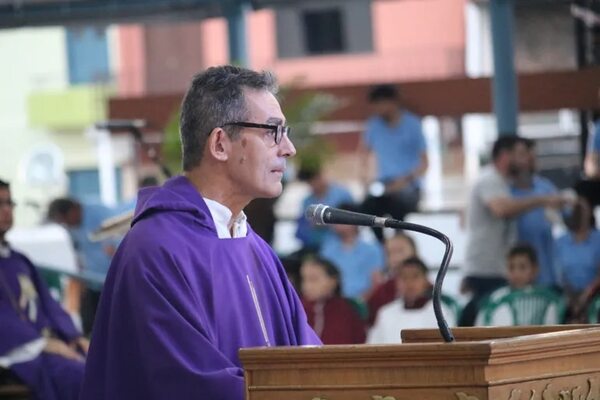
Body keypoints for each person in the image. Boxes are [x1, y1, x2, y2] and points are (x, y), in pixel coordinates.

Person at [80, 65, 321, 400]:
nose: (289, 148)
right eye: (272, 132)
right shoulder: (155, 250)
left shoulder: (256, 248)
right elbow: (187, 383)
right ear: (220, 143)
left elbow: (309, 353)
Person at [460, 136, 567, 326]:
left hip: (497, 267)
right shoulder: (489, 178)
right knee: (478, 321)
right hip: (486, 268)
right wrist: (541, 200)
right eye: (520, 154)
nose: (526, 159)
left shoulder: (503, 183)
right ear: (505, 156)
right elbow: (502, 209)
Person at [0, 179, 87, 400]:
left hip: (49, 347)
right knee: (81, 376)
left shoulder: (19, 260)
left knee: (109, 363)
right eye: (0, 204)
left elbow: (48, 304)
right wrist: (42, 344)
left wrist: (75, 337)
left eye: (10, 203)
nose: (7, 210)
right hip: (19, 354)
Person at [359, 84, 428, 242]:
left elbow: (424, 163)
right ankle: (383, 247)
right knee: (367, 208)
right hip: (384, 185)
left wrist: (405, 180)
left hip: (408, 186)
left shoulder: (413, 124)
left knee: (397, 207)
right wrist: (365, 181)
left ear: (393, 102)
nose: (378, 109)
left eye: (381, 103)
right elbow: (364, 156)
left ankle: (400, 244)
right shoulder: (374, 126)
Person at [367, 257, 455, 344]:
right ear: (396, 282)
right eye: (404, 277)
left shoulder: (441, 313)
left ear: (426, 281)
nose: (409, 282)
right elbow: (372, 348)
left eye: (415, 276)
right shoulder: (385, 313)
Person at [510, 138, 560, 289]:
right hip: (516, 279)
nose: (530, 160)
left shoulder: (546, 187)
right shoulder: (504, 192)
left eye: (532, 155)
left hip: (548, 274)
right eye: (523, 155)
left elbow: (567, 221)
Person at [475, 244, 559, 326]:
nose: (516, 273)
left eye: (522, 267)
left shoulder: (548, 299)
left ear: (535, 270)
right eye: (511, 267)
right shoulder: (496, 298)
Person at [319, 202, 385, 300]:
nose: (336, 224)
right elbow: (322, 280)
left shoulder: (372, 249)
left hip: (364, 303)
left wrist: (359, 303)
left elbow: (377, 282)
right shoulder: (327, 249)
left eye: (339, 219)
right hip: (334, 302)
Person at [300, 256, 366, 344]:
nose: (307, 286)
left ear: (333, 281)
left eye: (314, 279)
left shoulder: (346, 311)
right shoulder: (297, 310)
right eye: (304, 279)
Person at [555, 197, 600, 321]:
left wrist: (587, 293)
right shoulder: (561, 241)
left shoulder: (598, 239)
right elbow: (559, 274)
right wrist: (571, 297)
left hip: (594, 294)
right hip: (567, 294)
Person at [295, 165, 353, 251]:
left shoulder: (342, 194)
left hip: (339, 243)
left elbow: (350, 218)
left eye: (317, 178)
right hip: (313, 244)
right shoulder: (307, 201)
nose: (314, 184)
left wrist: (326, 222)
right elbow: (305, 224)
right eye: (310, 182)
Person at [366, 232, 418, 325]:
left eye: (400, 251)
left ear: (414, 252)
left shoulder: (426, 287)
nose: (396, 258)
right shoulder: (382, 290)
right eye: (390, 253)